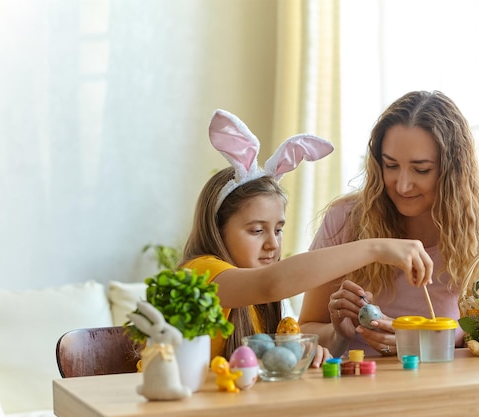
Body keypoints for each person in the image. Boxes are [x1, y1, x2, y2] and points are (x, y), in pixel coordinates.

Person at [178, 109, 434, 367]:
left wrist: (334, 338)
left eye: (278, 230)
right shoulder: (200, 274)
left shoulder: (261, 305)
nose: (272, 244)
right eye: (257, 230)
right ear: (217, 228)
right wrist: (377, 248)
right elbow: (272, 282)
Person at [298, 90, 479, 358]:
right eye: (391, 166)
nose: (403, 185)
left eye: (421, 170)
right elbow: (305, 330)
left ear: (453, 171)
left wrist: (433, 342)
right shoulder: (345, 220)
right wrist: (340, 331)